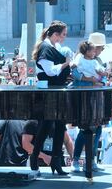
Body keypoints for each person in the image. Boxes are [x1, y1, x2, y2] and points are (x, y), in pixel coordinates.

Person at [30, 20, 70, 175]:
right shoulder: (45, 48)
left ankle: (56, 160)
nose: (64, 37)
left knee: (60, 126)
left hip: (58, 90)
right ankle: (34, 157)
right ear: (55, 35)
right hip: (49, 91)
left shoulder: (54, 46)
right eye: (63, 34)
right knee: (46, 126)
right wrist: (66, 64)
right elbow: (51, 71)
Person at [71, 32, 107, 172]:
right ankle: (76, 160)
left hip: (96, 96)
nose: (101, 51)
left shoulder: (99, 61)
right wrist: (91, 81)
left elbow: (102, 78)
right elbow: (75, 74)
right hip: (83, 95)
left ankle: (91, 160)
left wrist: (100, 83)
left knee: (97, 128)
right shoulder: (79, 57)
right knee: (85, 128)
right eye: (100, 48)